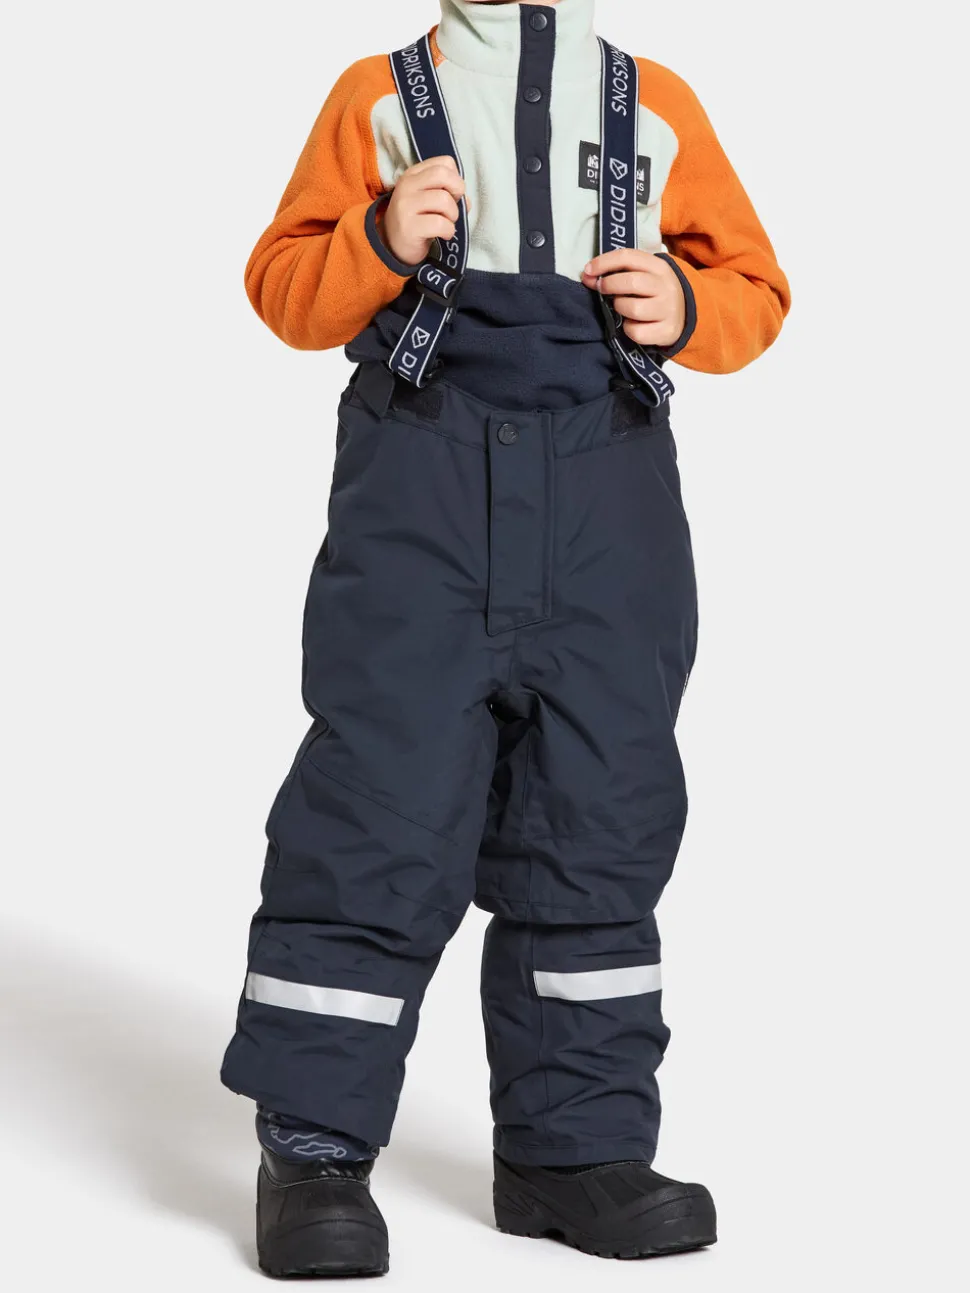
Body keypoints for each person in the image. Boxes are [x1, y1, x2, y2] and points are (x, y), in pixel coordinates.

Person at [222, 0, 790, 1277]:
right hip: (420, 488)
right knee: (375, 810)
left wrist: (685, 303)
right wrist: (376, 239)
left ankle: (573, 1152)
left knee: (598, 813)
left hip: (608, 499)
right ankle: (312, 1150)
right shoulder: (378, 94)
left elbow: (757, 291)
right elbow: (283, 290)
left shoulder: (657, 104)